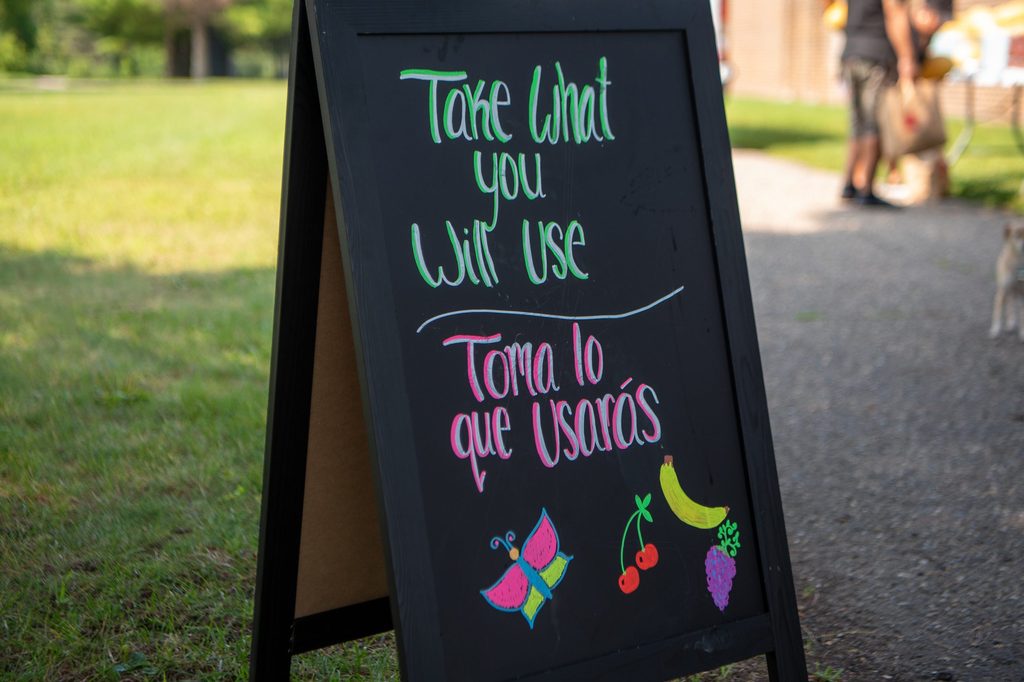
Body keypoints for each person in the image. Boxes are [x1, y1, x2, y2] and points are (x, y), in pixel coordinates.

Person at [840, 0, 918, 207]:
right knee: (874, 123)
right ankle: (866, 187)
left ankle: (849, 184)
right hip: (876, 55)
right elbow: (895, 13)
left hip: (851, 53)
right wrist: (907, 57)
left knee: (858, 123)